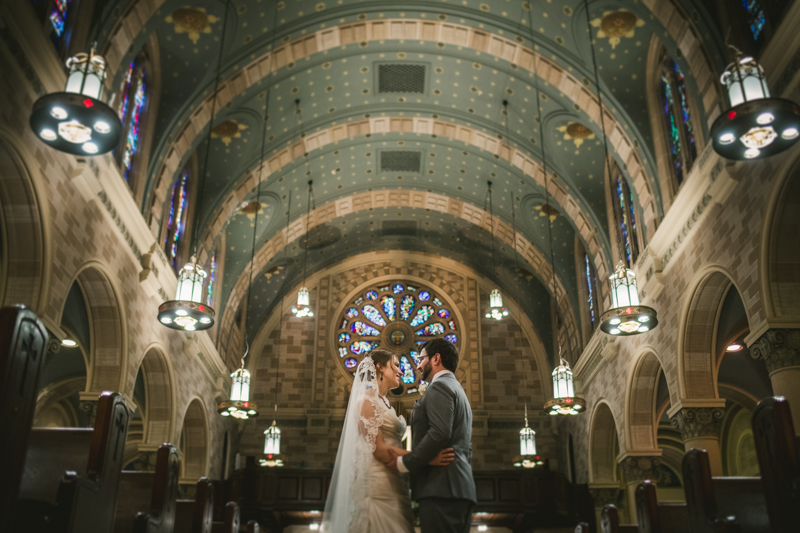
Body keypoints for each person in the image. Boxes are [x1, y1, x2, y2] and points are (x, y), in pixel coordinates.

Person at [321, 349, 454, 532]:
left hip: (396, 481)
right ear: (380, 368)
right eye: (396, 366)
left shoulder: (384, 402)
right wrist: (425, 459)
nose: (401, 372)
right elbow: (380, 451)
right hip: (378, 485)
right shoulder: (366, 401)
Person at [386, 338, 477, 533]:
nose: (417, 366)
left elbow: (439, 432)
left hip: (441, 488)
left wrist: (407, 462)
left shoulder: (439, 387)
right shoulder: (457, 388)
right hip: (458, 487)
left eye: (420, 359)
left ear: (436, 358)